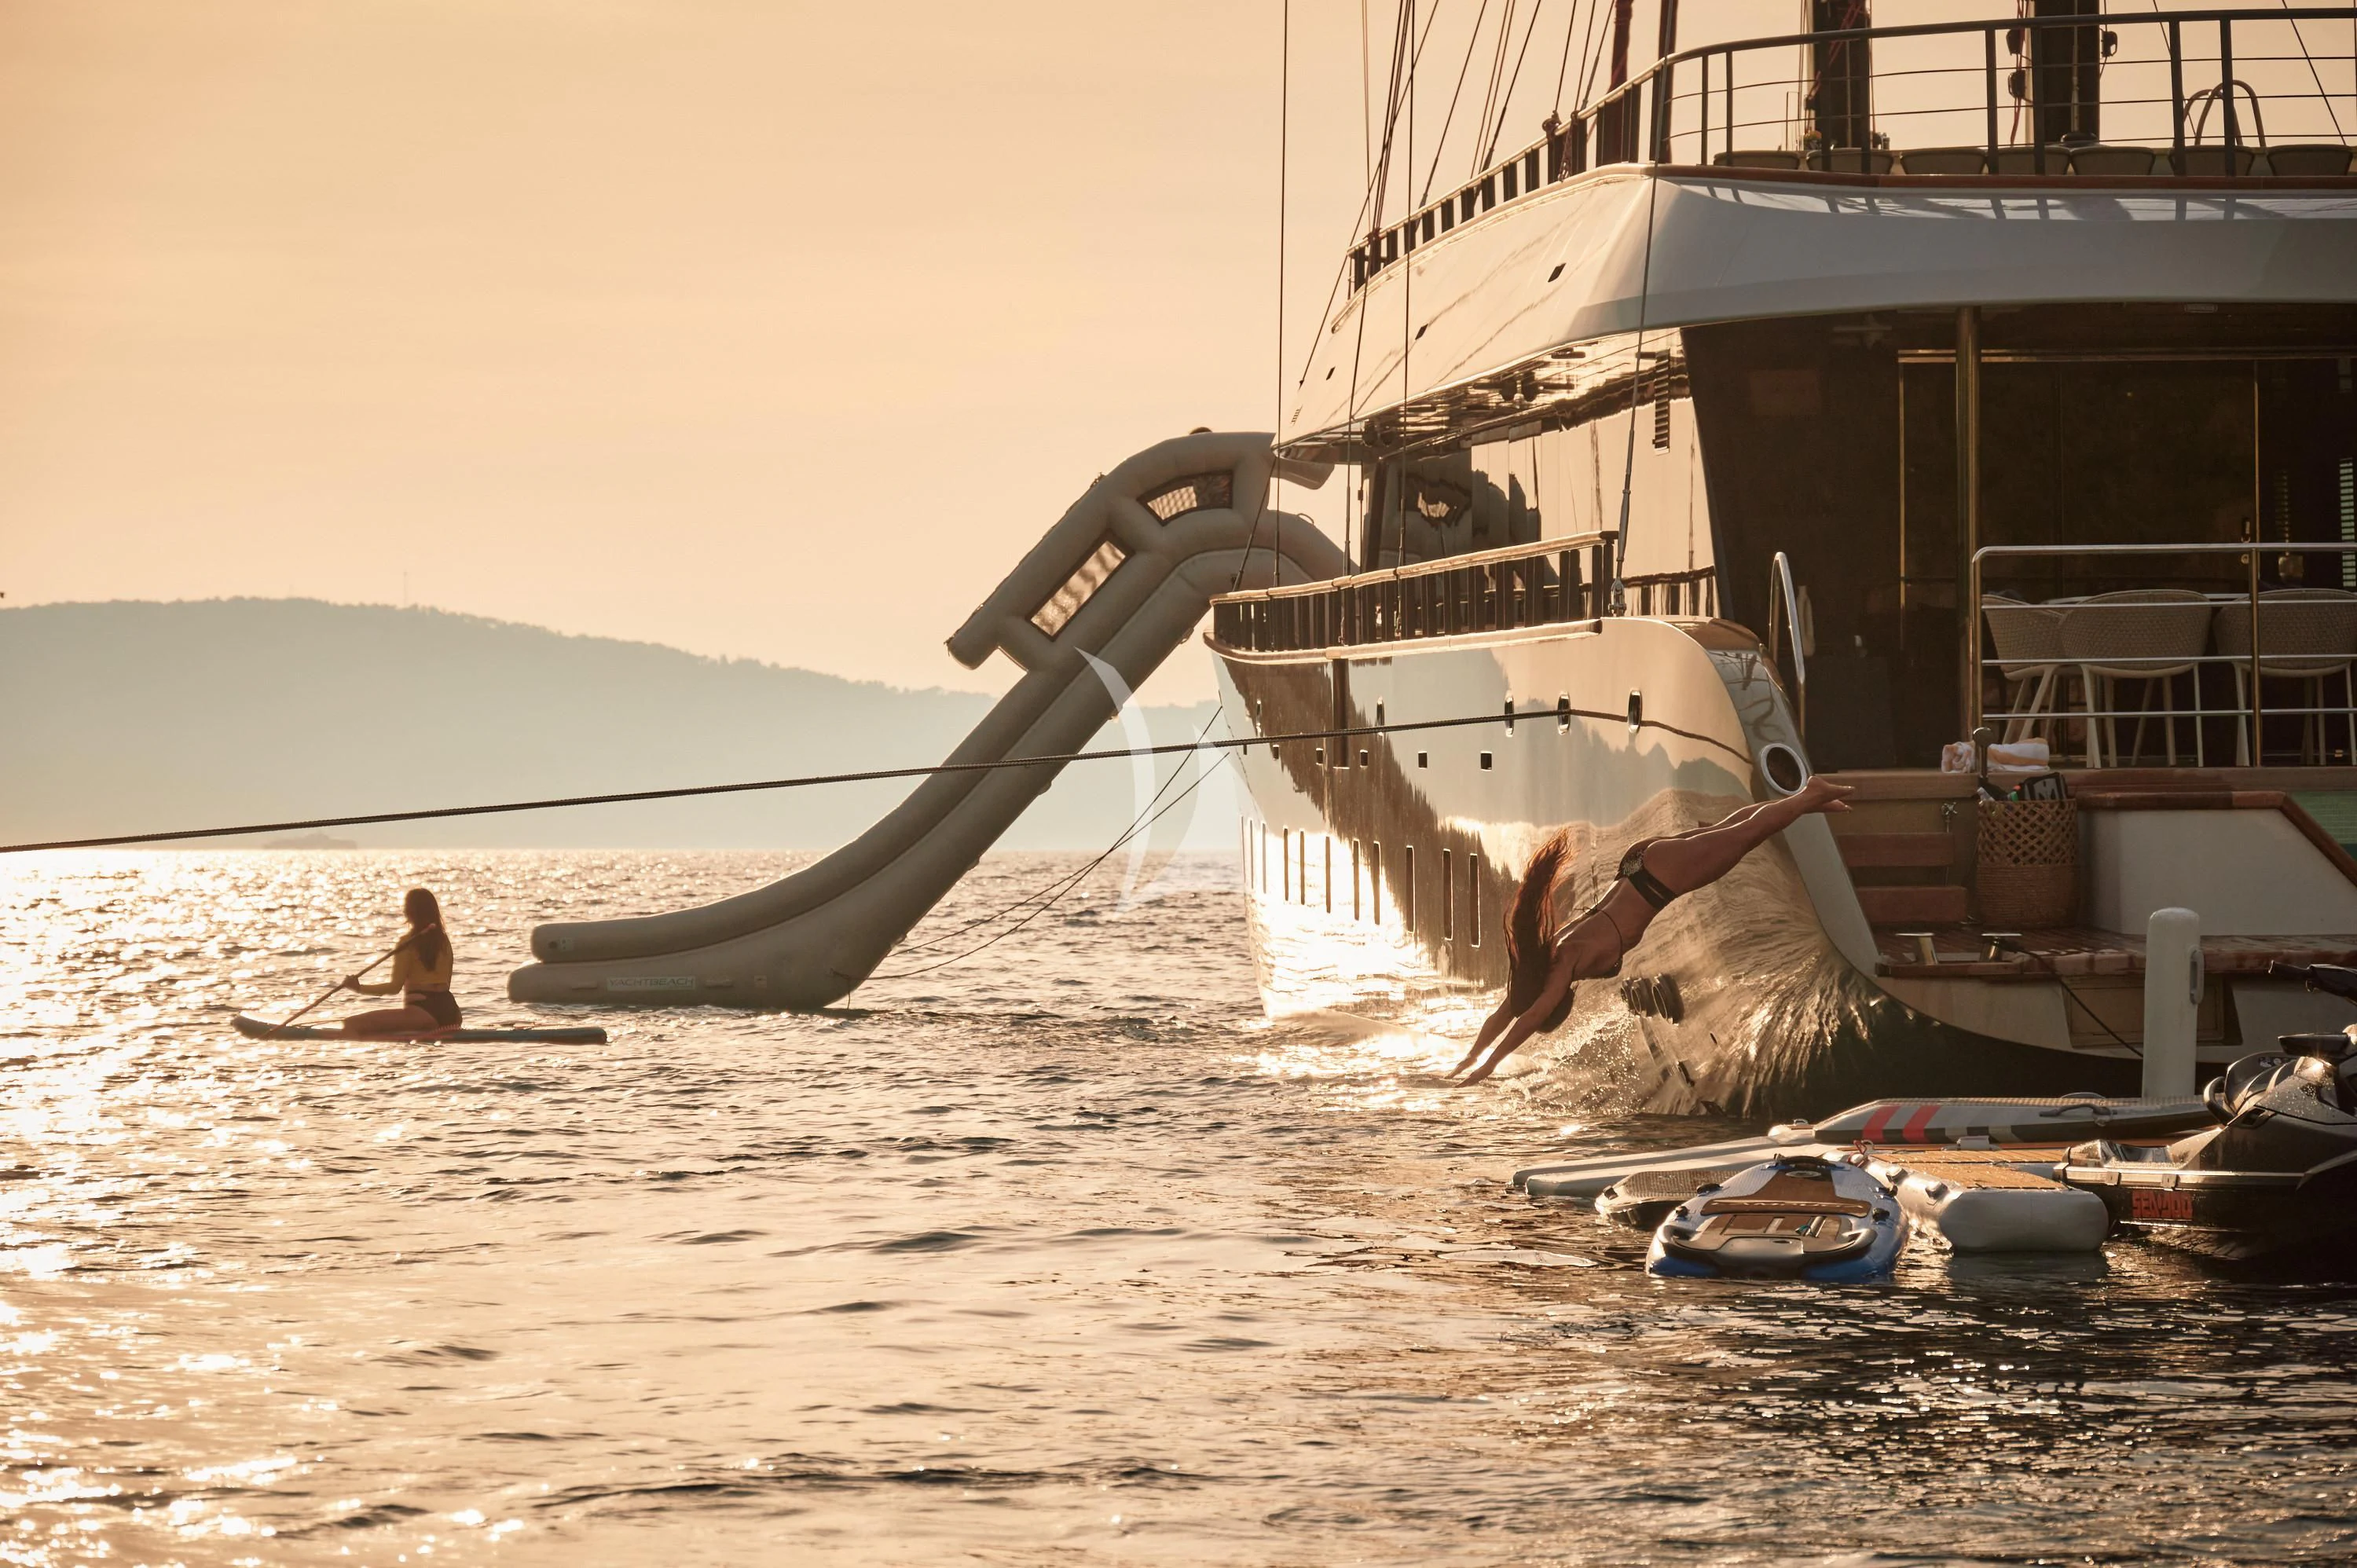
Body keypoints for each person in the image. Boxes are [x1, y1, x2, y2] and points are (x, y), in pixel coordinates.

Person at [1449, 775, 1853, 1085]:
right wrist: (1472, 1054)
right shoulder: (1551, 953)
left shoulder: (1562, 967)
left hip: (1658, 880)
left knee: (1744, 836)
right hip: (1637, 865)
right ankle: (1808, 801)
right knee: (1730, 832)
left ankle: (1809, 795)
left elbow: (1528, 1017)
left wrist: (1489, 1065)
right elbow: (1507, 1012)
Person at [339, 887, 461, 1035]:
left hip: (423, 1013)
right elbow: (446, 983)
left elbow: (394, 988)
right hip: (452, 1013)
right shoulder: (444, 941)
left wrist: (359, 988)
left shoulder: (407, 943)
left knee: (351, 1024)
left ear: (410, 912)